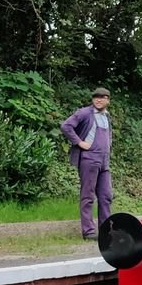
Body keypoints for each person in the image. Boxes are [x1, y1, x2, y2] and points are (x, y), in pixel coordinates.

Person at [61, 87, 113, 240]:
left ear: (108, 100)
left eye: (102, 97)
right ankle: (89, 231)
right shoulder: (84, 113)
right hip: (89, 159)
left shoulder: (106, 116)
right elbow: (66, 126)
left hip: (104, 161)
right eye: (96, 97)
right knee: (88, 196)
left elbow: (108, 136)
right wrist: (79, 142)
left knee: (106, 196)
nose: (98, 100)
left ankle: (106, 231)